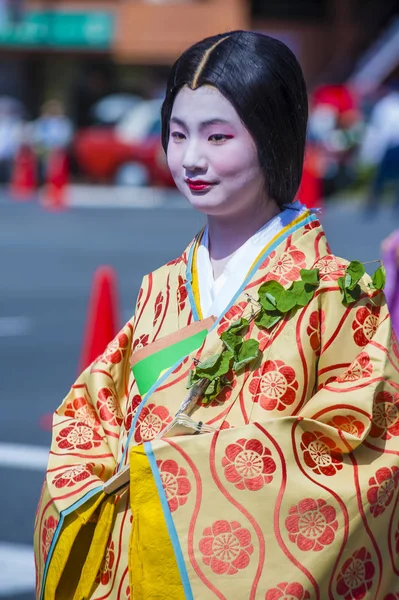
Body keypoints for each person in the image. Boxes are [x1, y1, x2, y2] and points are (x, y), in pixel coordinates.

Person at [34, 31, 399, 599]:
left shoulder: (340, 294)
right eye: (177, 135)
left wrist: (177, 475)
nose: (191, 158)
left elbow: (363, 462)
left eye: (218, 136)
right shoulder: (162, 288)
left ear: (275, 136)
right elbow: (93, 411)